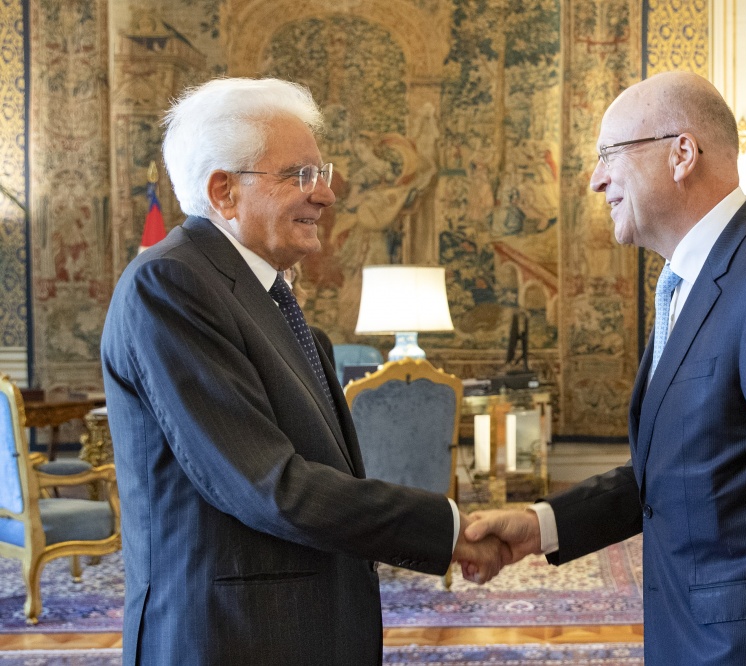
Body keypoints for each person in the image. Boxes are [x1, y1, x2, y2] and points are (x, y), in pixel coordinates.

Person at [465, 71, 746, 665]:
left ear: (682, 153)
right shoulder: (688, 281)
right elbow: (677, 474)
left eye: (609, 155)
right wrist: (542, 524)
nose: (595, 178)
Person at [101, 77, 509, 665]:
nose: (326, 194)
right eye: (300, 176)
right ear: (224, 191)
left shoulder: (273, 303)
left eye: (322, 172)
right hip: (230, 637)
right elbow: (269, 485)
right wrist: (447, 529)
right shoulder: (170, 283)